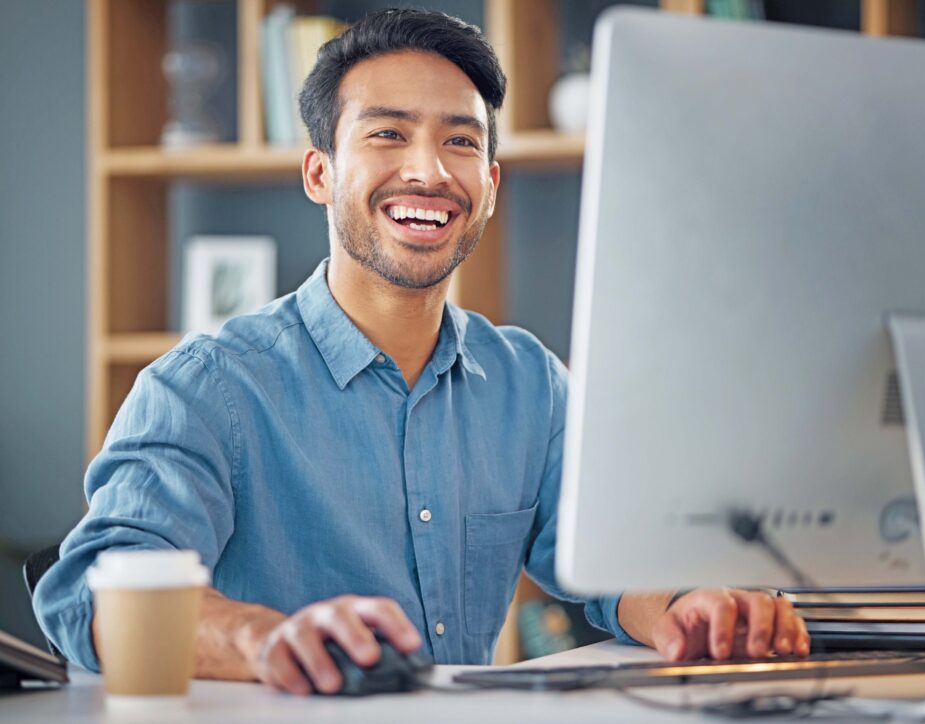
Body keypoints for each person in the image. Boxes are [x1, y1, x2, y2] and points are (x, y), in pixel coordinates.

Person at [33, 9, 809, 695]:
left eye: (460, 142)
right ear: (320, 173)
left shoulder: (528, 383)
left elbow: (607, 564)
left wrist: (685, 607)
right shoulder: (207, 388)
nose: (430, 172)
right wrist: (261, 638)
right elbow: (91, 597)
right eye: (388, 134)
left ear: (492, 183)